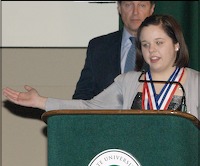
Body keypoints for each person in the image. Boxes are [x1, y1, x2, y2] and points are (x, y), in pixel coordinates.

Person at [3, 14, 199, 120]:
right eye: (146, 44)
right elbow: (88, 107)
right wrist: (41, 102)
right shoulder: (128, 82)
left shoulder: (195, 82)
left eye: (159, 42)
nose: (152, 50)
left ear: (176, 44)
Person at [72, 1, 155, 100]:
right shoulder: (99, 46)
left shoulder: (162, 48)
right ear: (119, 8)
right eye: (128, 5)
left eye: (142, 5)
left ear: (151, 9)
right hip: (105, 114)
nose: (135, 12)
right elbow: (83, 94)